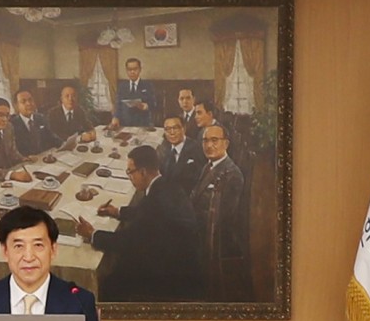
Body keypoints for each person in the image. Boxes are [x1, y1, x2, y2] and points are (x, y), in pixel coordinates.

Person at [75, 145, 203, 302]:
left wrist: (92, 234)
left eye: (130, 172)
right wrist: (117, 212)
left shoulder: (153, 201)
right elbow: (148, 216)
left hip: (171, 273)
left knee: (108, 282)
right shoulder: (166, 185)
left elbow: (126, 241)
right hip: (182, 257)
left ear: (143, 172)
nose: (130, 177)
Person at [191, 124, 246, 300]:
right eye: (205, 141)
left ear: (226, 143)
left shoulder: (232, 174)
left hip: (215, 241)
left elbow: (223, 218)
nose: (209, 145)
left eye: (215, 140)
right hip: (198, 228)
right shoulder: (209, 166)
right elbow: (195, 197)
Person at [157, 116, 204, 195]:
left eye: (175, 128)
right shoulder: (165, 148)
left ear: (184, 129)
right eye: (167, 129)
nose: (172, 132)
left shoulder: (196, 149)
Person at [11, 89, 63, 156]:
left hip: (44, 158)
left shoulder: (40, 118)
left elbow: (52, 137)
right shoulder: (12, 125)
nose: (29, 103)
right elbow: (14, 152)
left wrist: (65, 145)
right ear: (16, 106)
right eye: (23, 101)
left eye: (30, 100)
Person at [110, 57, 154, 129]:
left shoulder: (148, 85)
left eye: (135, 69)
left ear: (140, 69)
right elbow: (118, 105)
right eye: (129, 69)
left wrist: (146, 106)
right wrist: (115, 117)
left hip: (142, 124)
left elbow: (154, 104)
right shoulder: (122, 86)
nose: (132, 72)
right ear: (126, 71)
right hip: (124, 124)